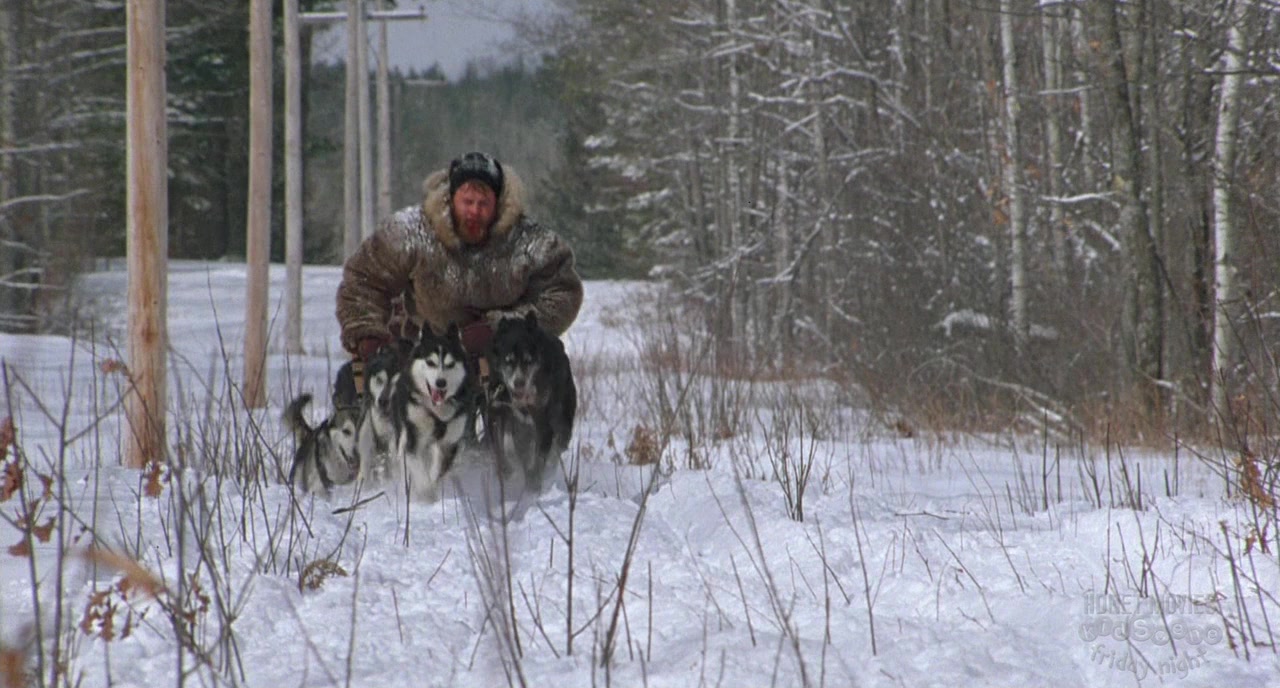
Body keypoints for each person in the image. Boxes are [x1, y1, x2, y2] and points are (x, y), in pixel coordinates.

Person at [334, 151, 584, 393]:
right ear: (450, 199)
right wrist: (366, 331)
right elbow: (363, 280)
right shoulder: (411, 232)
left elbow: (562, 294)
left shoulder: (527, 241)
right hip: (426, 352)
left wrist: (502, 328)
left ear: (498, 204)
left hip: (503, 358)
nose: (474, 211)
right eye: (467, 202)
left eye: (483, 204)